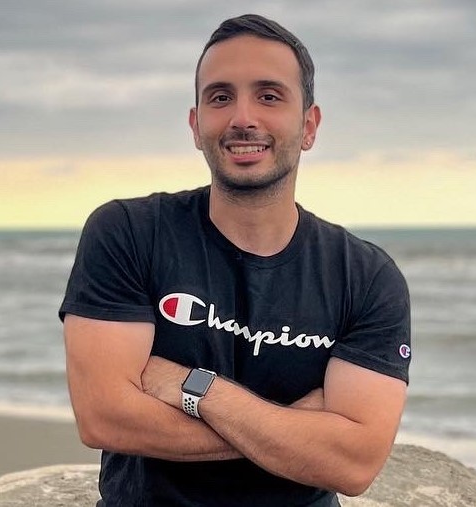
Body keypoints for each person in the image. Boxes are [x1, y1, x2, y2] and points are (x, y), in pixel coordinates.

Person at [60, 13, 411, 507]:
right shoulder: (129, 233)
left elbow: (353, 464)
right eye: (221, 97)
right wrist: (296, 427)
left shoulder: (366, 277)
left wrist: (196, 389)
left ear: (309, 126)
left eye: (269, 96)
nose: (243, 118)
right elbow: (105, 418)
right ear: (196, 124)